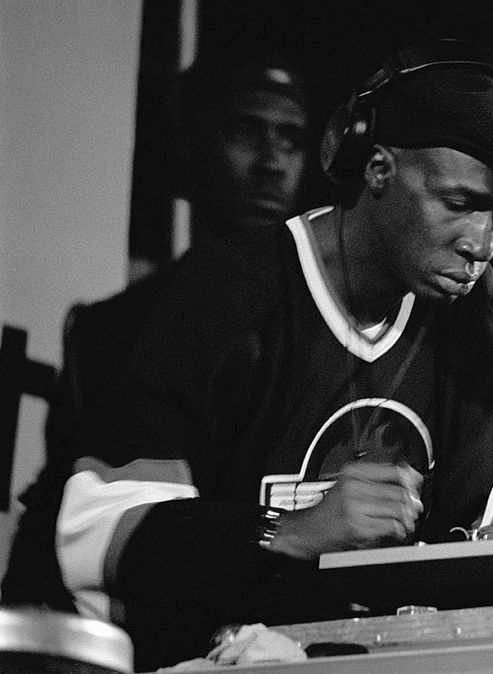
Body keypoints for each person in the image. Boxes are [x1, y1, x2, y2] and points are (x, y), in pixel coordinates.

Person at [49, 39, 493, 670]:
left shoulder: (485, 329)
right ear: (379, 169)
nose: (481, 243)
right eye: (460, 203)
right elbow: (96, 533)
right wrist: (290, 530)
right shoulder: (218, 299)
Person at [0, 52, 311, 615]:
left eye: (290, 139)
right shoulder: (111, 328)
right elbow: (68, 513)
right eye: (246, 131)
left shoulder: (326, 325)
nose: (272, 162)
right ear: (189, 147)